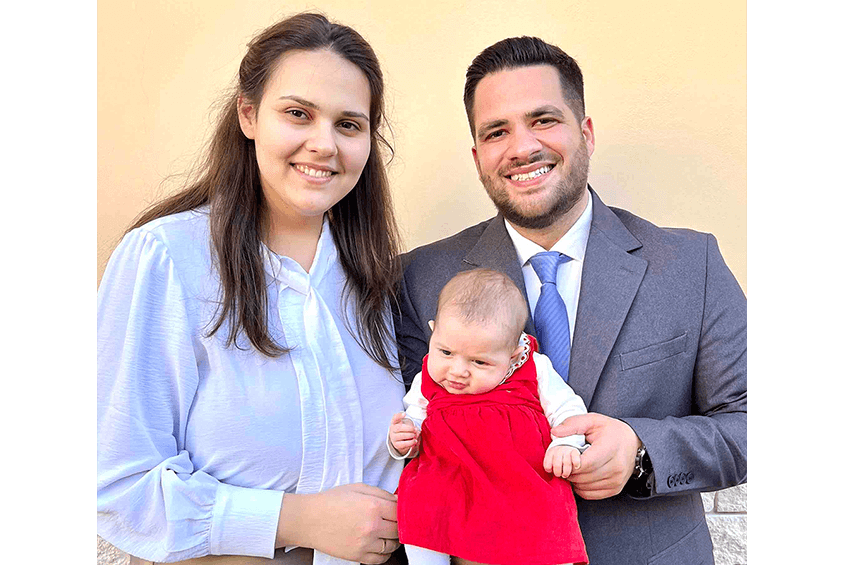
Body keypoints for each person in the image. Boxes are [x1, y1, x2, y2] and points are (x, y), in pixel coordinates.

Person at [394, 36, 747, 565]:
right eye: (496, 132)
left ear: (586, 133)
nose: (521, 148)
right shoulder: (419, 278)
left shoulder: (690, 266)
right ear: (477, 156)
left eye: (543, 120)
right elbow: (410, 433)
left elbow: (753, 422)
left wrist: (640, 451)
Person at [98, 13, 407, 565]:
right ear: (248, 114)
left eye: (348, 124)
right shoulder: (167, 258)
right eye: (298, 114)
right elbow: (115, 485)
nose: (324, 144)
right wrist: (296, 519)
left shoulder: (374, 279)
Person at [388, 269, 589, 565]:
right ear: (433, 331)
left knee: (546, 517)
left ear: (513, 354)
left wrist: (567, 444)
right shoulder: (428, 378)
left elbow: (567, 409)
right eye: (446, 352)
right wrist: (404, 436)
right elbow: (415, 418)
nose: (457, 371)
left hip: (518, 479)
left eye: (479, 362)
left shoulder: (533, 368)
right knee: (421, 505)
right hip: (449, 478)